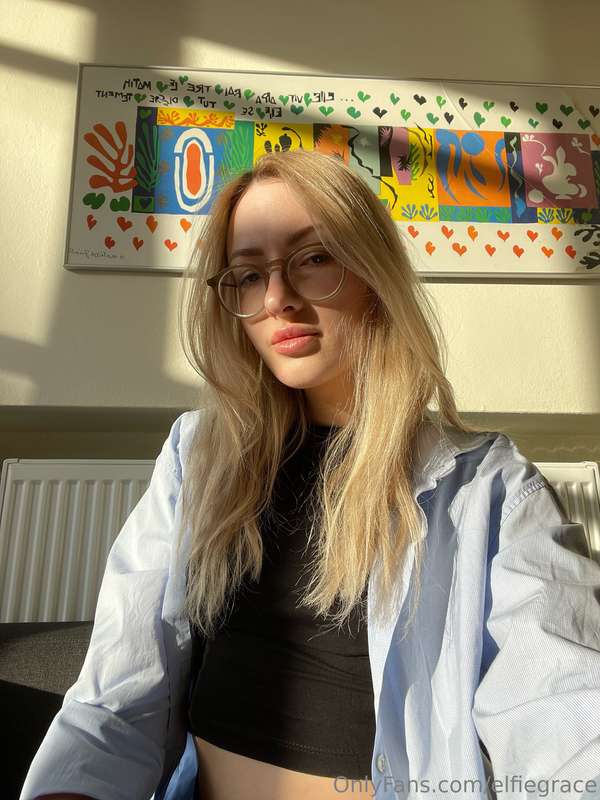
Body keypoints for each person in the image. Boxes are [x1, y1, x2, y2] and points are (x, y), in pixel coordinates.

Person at [21, 149, 600, 800]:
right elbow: (119, 685)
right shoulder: (199, 454)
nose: (276, 300)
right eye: (248, 274)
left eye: (314, 258)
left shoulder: (487, 488)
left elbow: (561, 701)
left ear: (374, 272)